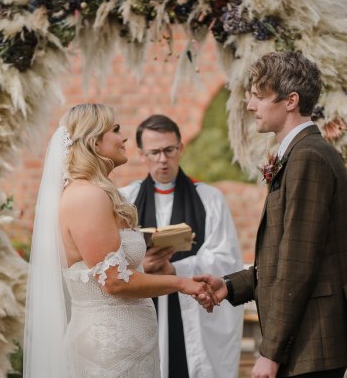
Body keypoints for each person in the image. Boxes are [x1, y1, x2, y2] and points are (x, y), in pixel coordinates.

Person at [194, 51, 347, 378]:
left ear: (291, 101)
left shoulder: (308, 158)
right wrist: (230, 287)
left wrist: (271, 353)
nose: (250, 106)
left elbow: (297, 262)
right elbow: (283, 256)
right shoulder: (299, 153)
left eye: (259, 97)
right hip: (307, 338)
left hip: (312, 341)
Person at [23, 103, 210, 378]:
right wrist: (181, 282)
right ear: (94, 141)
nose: (123, 138)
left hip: (130, 345)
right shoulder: (86, 196)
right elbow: (114, 280)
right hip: (108, 351)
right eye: (116, 130)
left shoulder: (102, 193)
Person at [120, 114, 243, 378]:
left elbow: (226, 258)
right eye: (154, 152)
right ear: (142, 154)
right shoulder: (125, 200)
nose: (163, 159)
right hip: (143, 309)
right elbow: (110, 260)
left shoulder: (210, 199)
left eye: (169, 150)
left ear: (181, 148)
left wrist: (174, 270)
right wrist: (144, 265)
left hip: (191, 314)